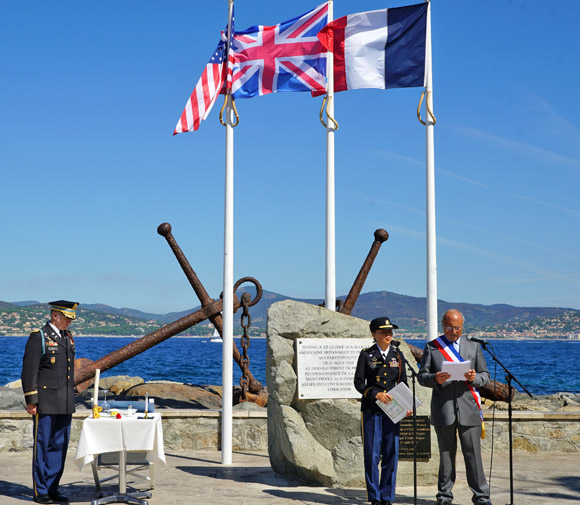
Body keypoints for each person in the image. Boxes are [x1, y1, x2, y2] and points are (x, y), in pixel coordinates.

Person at [417, 309, 492, 505]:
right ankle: (444, 496)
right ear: (443, 326)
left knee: (473, 456)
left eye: (457, 328)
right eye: (450, 327)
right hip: (444, 409)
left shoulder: (473, 347)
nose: (454, 331)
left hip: (469, 407)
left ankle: (481, 497)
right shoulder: (432, 347)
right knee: (446, 456)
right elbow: (421, 377)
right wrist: (436, 378)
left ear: (462, 327)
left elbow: (485, 376)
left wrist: (474, 378)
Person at [21, 300, 79, 504]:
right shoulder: (40, 337)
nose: (70, 323)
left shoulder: (67, 338)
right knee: (43, 447)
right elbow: (29, 371)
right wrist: (31, 400)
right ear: (55, 316)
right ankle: (41, 490)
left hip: (64, 402)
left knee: (59, 447)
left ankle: (53, 487)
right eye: (67, 318)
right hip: (45, 403)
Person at [354, 316, 411, 505]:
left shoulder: (398, 355)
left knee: (391, 452)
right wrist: (375, 395)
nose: (388, 334)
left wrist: (406, 405)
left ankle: (387, 496)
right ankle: (375, 497)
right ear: (374, 334)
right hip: (372, 409)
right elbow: (359, 383)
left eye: (390, 331)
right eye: (383, 331)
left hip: (392, 410)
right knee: (372, 454)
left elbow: (402, 382)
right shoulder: (366, 355)